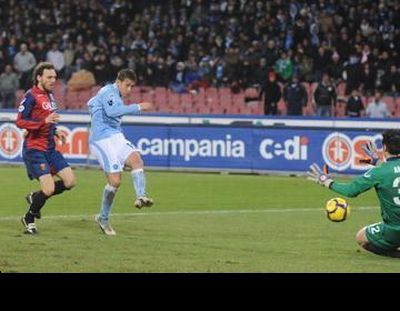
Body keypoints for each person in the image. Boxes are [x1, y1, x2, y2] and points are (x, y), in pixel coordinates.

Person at [307, 129, 400, 258]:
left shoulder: (378, 173)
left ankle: (395, 254)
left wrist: (326, 181)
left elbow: (351, 190)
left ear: (384, 147)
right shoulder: (380, 170)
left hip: (393, 231)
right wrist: (378, 163)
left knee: (361, 237)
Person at [87, 69, 153, 236]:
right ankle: (103, 218)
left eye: (132, 86)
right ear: (118, 82)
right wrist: (138, 107)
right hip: (101, 139)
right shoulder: (109, 91)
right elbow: (112, 111)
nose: (129, 90)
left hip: (116, 136)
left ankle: (141, 196)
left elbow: (91, 103)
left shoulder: (112, 95)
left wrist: (94, 105)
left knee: (136, 159)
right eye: (127, 85)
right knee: (115, 182)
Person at [16, 62, 76, 235]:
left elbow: (46, 120)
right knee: (49, 189)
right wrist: (44, 122)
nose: (53, 80)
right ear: (39, 77)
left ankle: (35, 197)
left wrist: (55, 131)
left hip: (50, 149)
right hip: (35, 149)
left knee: (70, 182)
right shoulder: (30, 96)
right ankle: (29, 218)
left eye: (54, 77)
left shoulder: (50, 96)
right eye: (49, 77)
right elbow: (20, 121)